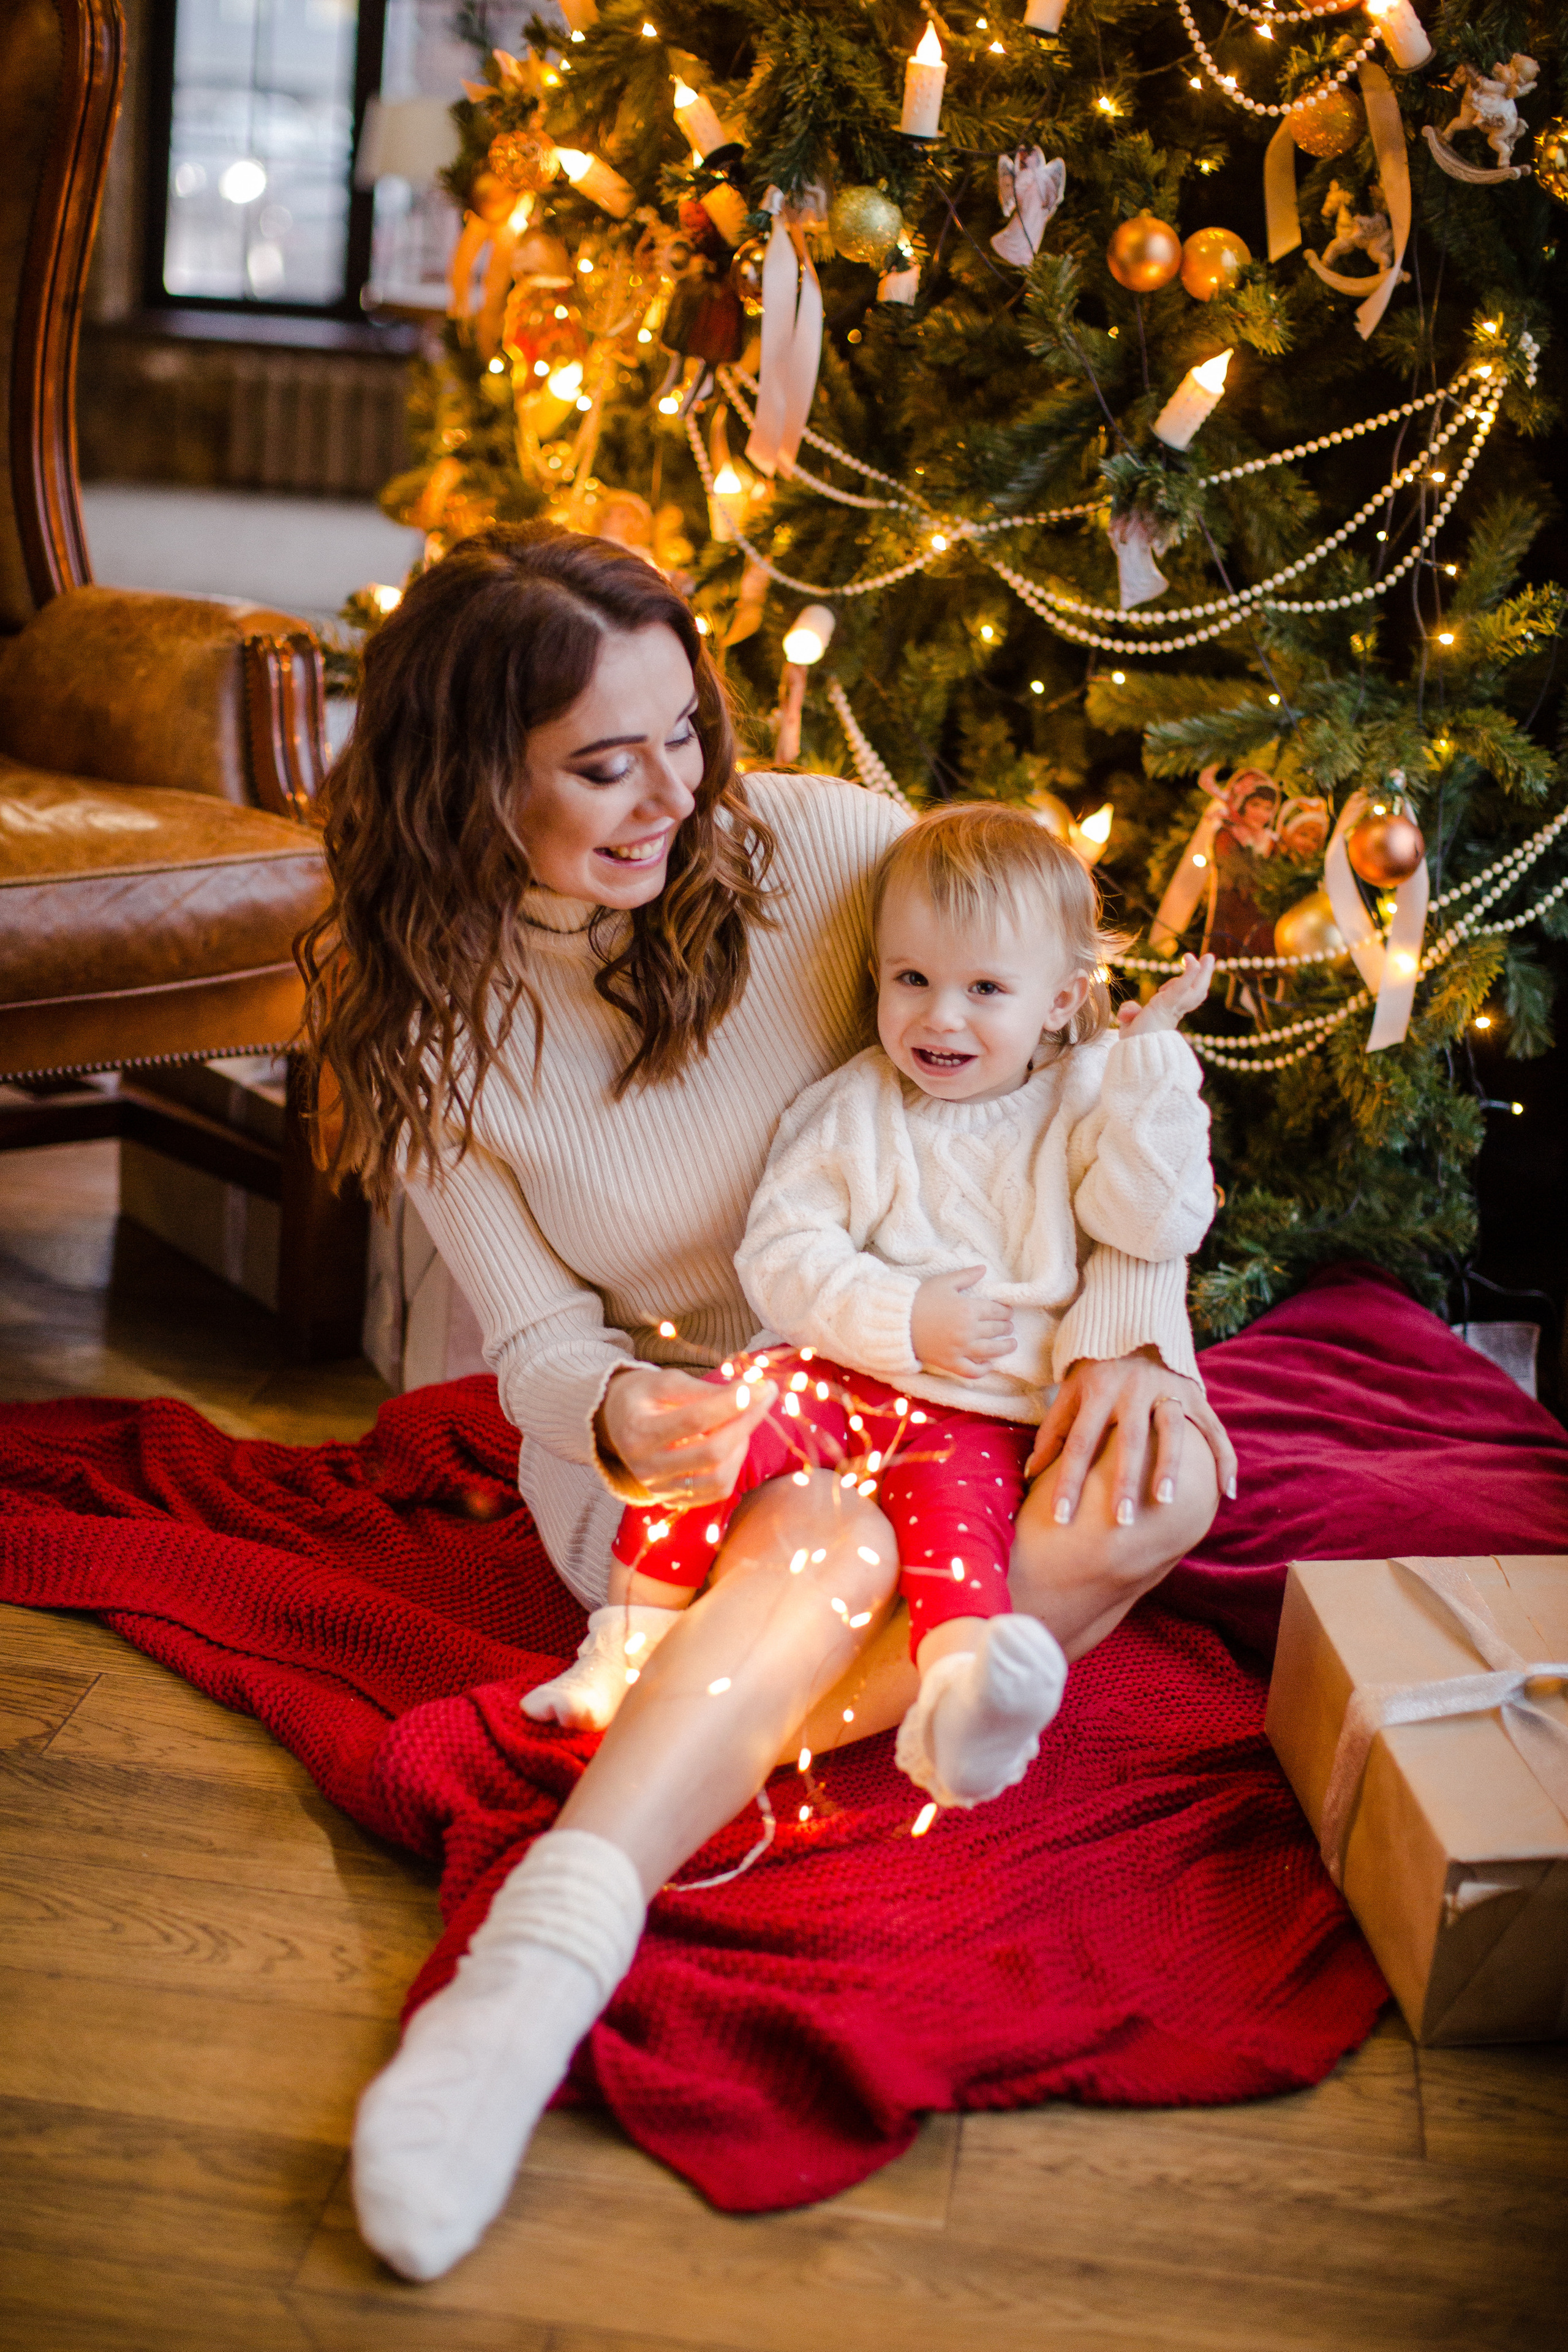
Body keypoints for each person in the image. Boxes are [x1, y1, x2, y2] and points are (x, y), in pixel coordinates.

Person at [300, 523, 1235, 2281]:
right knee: (819, 1538)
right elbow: (533, 1339)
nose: (669, 793)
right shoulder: (416, 1006)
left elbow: (1080, 1051)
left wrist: (1127, 1321)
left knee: (1165, 1483)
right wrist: (609, 1416)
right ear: (466, 775)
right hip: (688, 1452)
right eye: (599, 762)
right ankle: (546, 1954)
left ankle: (716, 1748)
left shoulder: (824, 852)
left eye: (684, 733)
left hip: (944, 1392)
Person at [529, 805, 1216, 1820]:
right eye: (913, 981)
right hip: (831, 1370)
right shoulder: (856, 1106)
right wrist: (901, 1314)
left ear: (1063, 999)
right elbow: (784, 1252)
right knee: (715, 1431)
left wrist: (1150, 1069)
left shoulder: (1086, 1102)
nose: (941, 1018)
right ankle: (620, 1652)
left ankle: (963, 1702)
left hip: (978, 1412)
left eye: (985, 989)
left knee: (960, 1547)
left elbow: (1156, 1222)